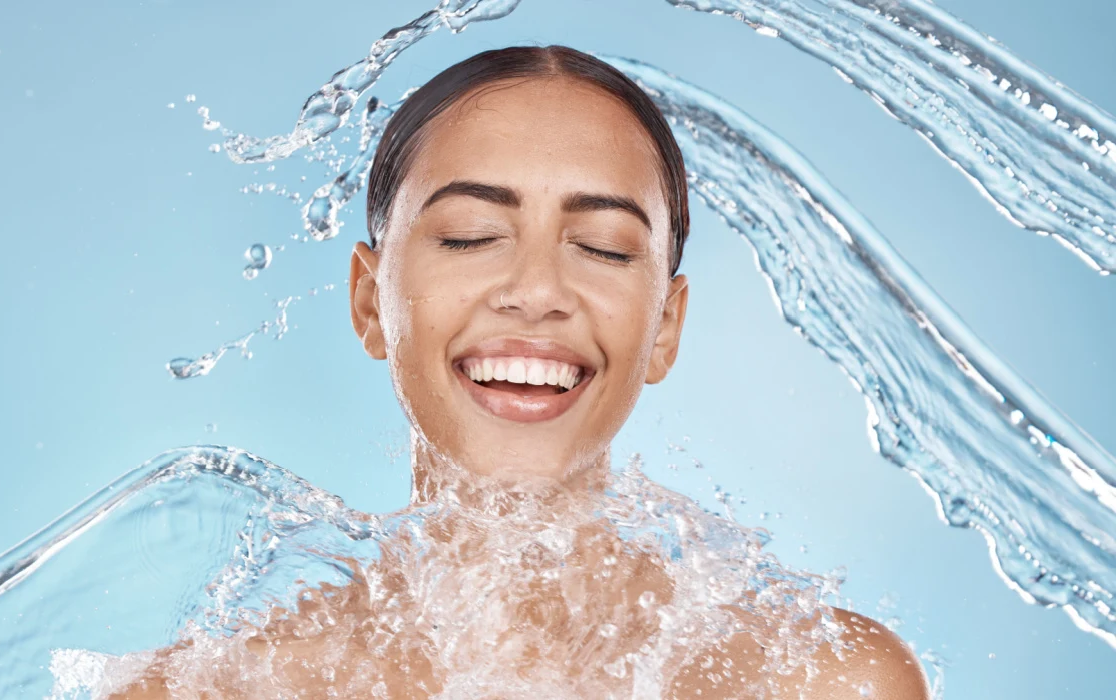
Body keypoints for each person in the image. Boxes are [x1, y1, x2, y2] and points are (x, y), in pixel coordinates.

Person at [112, 45, 929, 699]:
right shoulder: (203, 691)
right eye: (470, 235)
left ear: (665, 330)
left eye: (604, 247)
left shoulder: (819, 680)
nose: (537, 293)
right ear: (369, 301)